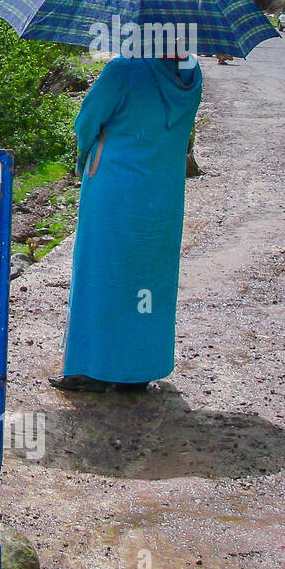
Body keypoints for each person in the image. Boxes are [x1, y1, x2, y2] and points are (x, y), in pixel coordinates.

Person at [49, 52, 203, 392]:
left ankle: (90, 370)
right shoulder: (192, 73)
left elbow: (87, 120)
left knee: (101, 273)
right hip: (162, 194)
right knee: (148, 278)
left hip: (114, 189)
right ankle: (137, 370)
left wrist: (81, 157)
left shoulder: (124, 69)